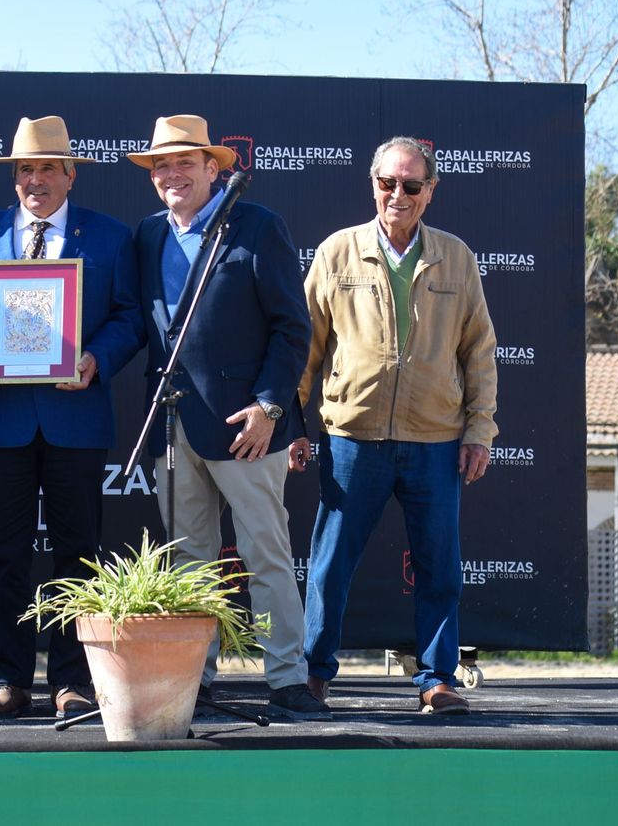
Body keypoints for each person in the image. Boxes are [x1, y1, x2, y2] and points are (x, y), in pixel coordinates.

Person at [0, 116, 140, 721]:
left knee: (79, 553)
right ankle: (9, 679)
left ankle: (72, 682)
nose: (35, 180)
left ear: (71, 174)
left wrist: (97, 358)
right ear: (13, 177)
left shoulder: (109, 238)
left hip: (75, 415)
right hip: (0, 419)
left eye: (48, 168)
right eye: (25, 169)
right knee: (2, 552)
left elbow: (129, 317)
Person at [127, 115, 328, 721]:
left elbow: (294, 329)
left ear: (214, 168)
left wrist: (271, 407)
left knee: (266, 555)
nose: (171, 174)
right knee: (188, 560)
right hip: (174, 423)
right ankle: (197, 679)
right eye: (161, 165)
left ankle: (288, 678)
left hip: (248, 428)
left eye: (185, 162)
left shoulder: (257, 226)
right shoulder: (145, 236)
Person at [292, 135, 496, 716]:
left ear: (431, 192)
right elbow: (304, 347)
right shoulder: (336, 252)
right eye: (388, 183)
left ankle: (436, 680)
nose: (398, 195)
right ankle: (314, 675)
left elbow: (479, 350)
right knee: (331, 563)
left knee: (440, 568)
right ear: (372, 185)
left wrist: (480, 430)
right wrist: (294, 427)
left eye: (411, 185)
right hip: (351, 437)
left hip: (435, 439)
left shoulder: (456, 257)